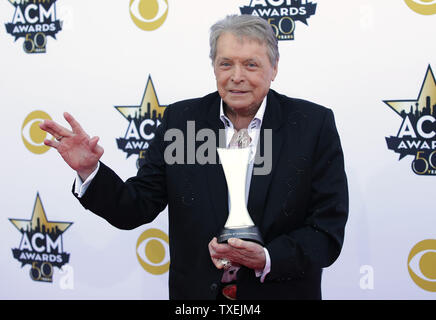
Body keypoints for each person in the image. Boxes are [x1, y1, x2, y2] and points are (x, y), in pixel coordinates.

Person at [39, 14, 348, 300]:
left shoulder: (312, 125)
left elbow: (326, 230)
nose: (237, 77)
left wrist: (267, 258)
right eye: (226, 64)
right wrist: (90, 172)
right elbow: (135, 207)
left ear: (274, 67)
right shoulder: (180, 121)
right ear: (213, 66)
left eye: (251, 65)